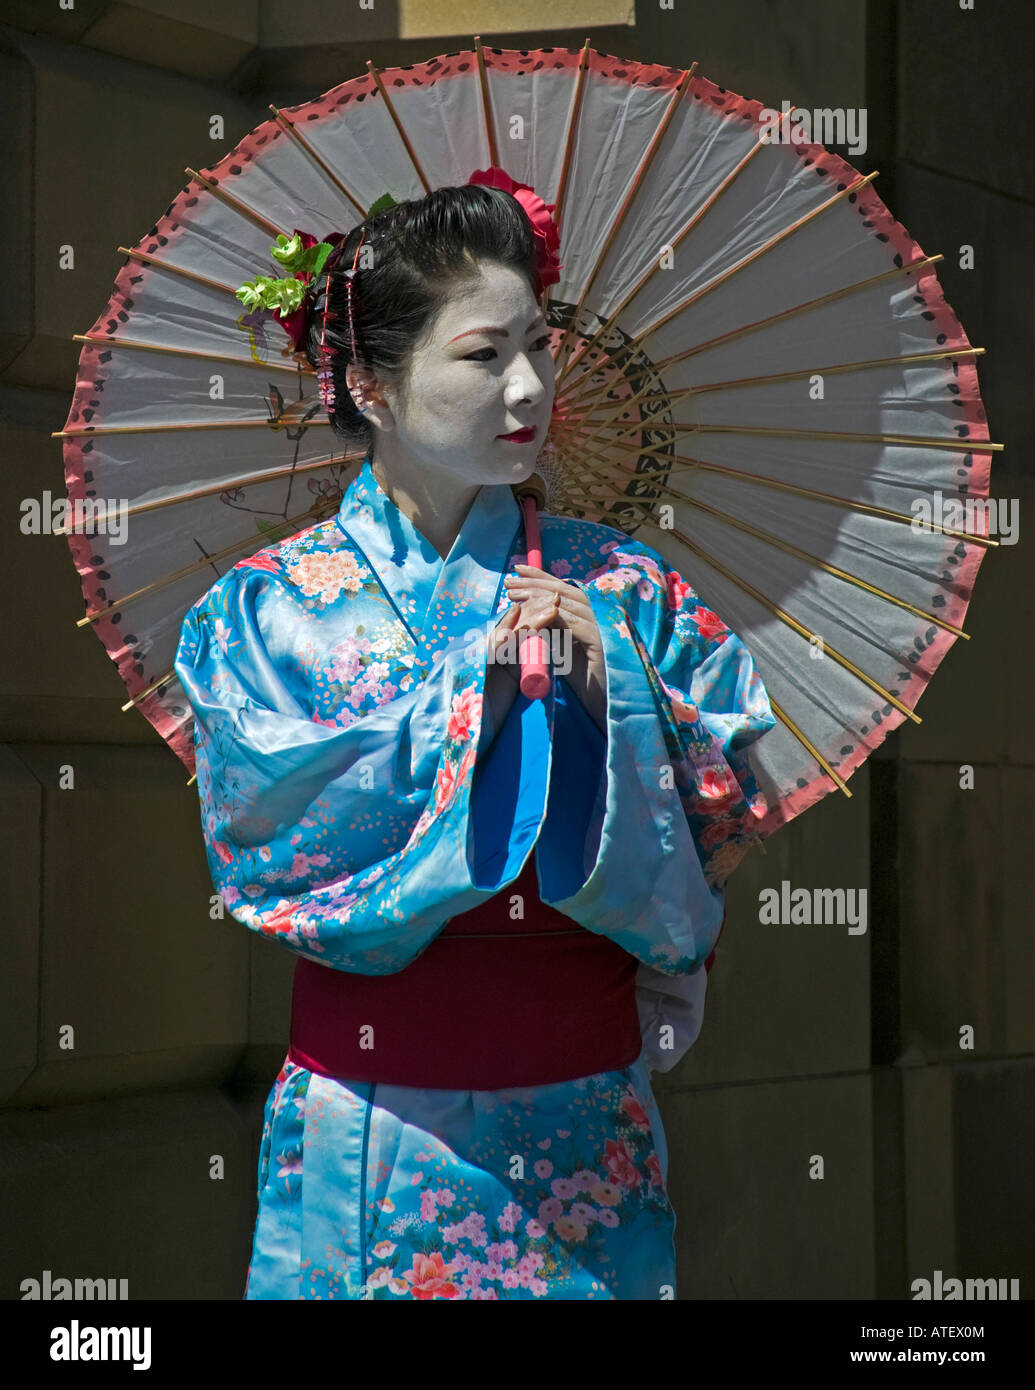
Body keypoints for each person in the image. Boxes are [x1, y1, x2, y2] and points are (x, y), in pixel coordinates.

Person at [173, 180, 777, 1300]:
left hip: (585, 1120)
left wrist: (619, 686)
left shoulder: (627, 589)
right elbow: (265, 848)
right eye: (484, 354)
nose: (530, 387)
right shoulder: (266, 612)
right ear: (370, 384)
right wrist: (475, 693)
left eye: (541, 347)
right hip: (371, 1122)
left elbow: (731, 815)